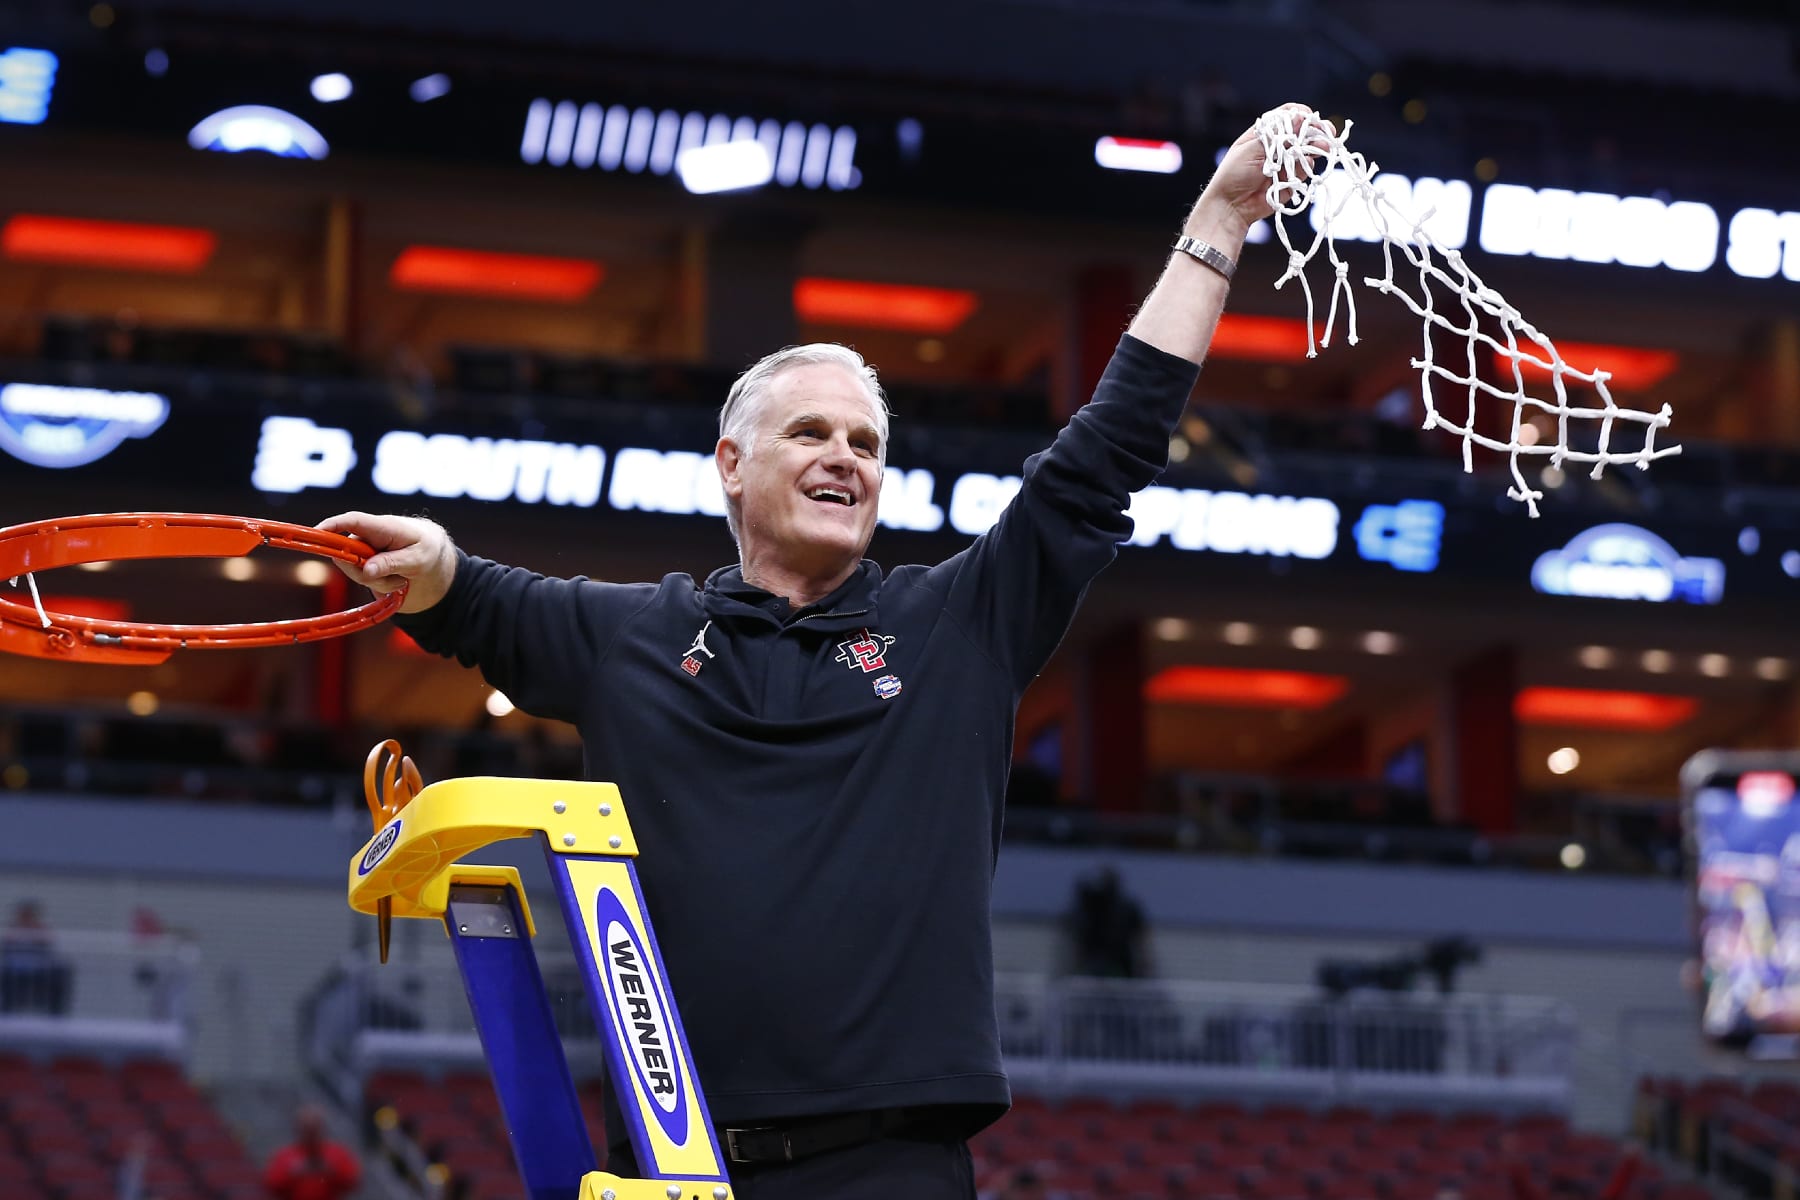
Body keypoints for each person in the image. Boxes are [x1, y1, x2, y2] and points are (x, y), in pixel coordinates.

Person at [321, 103, 1325, 1199]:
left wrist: (1223, 213)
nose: (846, 456)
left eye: (867, 444)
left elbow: (1108, 450)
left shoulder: (958, 627)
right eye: (811, 432)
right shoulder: (633, 636)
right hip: (669, 1173)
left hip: (889, 1169)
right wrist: (431, 567)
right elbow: (471, 596)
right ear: (731, 466)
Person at [263, 1104, 361, 1200]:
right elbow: (271, 1184)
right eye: (306, 1129)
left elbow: (353, 1181)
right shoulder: (285, 1155)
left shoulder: (337, 1153)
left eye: (314, 1129)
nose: (310, 1134)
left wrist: (331, 1171)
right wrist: (293, 1173)